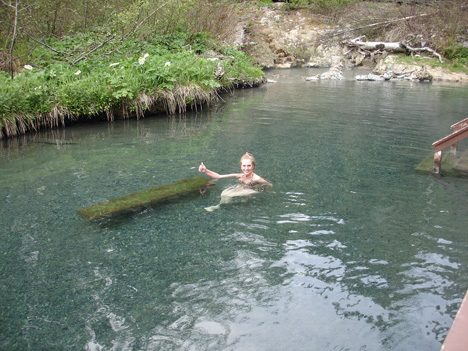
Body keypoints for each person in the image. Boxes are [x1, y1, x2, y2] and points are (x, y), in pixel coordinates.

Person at [198, 152, 272, 211]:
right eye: (244, 165)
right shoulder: (240, 175)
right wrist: (205, 171)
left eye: (249, 166)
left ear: (253, 166)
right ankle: (219, 206)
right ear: (241, 166)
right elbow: (218, 176)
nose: (246, 168)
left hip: (254, 189)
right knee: (224, 193)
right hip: (244, 187)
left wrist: (270, 192)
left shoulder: (257, 178)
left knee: (228, 195)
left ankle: (219, 207)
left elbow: (269, 185)